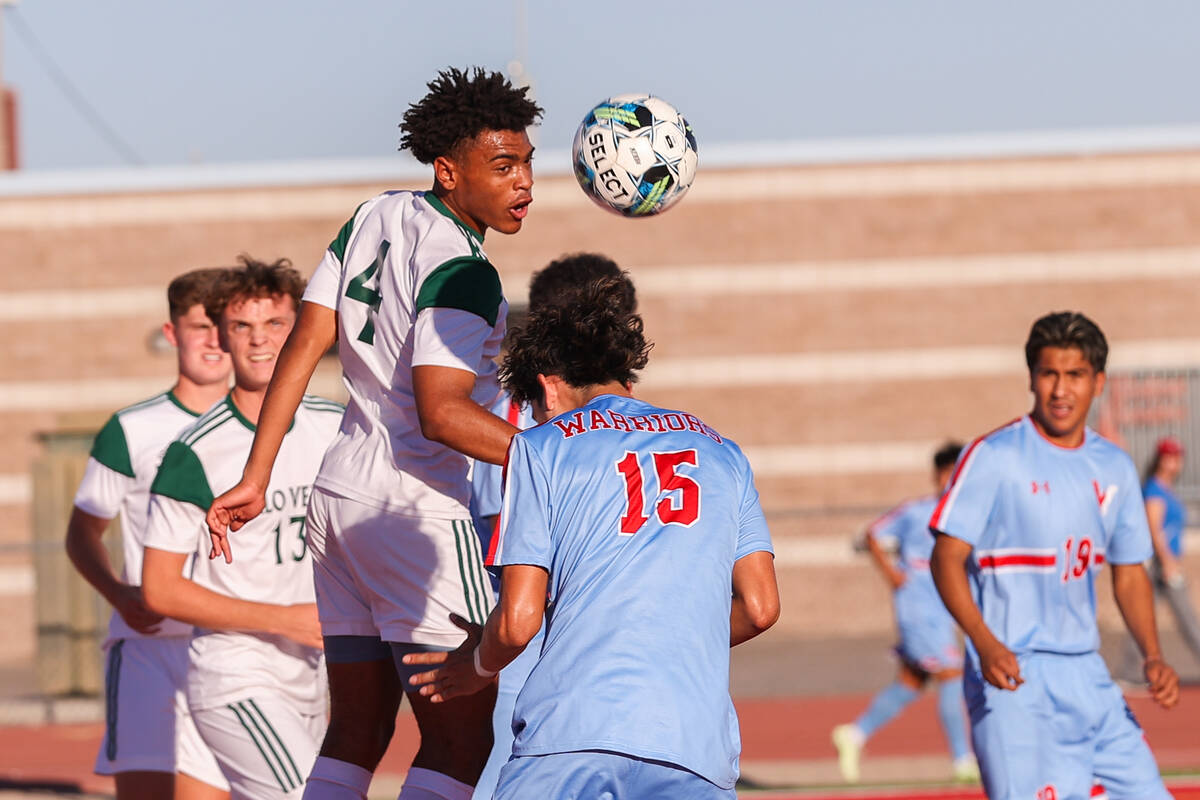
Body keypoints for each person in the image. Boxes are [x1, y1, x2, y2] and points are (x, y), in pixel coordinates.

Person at [204, 67, 542, 800]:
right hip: (414, 511)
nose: (524, 183)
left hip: (337, 501)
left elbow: (303, 345)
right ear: (448, 171)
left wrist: (258, 475)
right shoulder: (466, 268)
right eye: (503, 165)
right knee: (463, 737)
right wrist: (558, 459)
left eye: (527, 164)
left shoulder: (372, 215)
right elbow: (442, 412)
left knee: (356, 732)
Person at [405, 277, 781, 799]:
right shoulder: (724, 452)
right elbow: (761, 607)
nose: (537, 418)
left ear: (549, 385)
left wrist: (475, 667)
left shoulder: (540, 449)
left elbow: (517, 623)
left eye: (534, 405)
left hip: (570, 730)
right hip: (694, 740)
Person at [929, 311, 1180, 800]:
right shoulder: (994, 456)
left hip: (1086, 672)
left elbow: (1129, 575)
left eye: (1075, 375)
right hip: (1012, 676)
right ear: (1031, 378)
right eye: (1049, 374)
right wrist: (984, 642)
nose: (1060, 390)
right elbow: (945, 559)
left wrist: (1153, 655)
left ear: (1098, 382)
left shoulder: (1114, 466)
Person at [141, 258, 342, 799]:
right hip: (237, 673)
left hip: (314, 676)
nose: (258, 340)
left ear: (301, 329)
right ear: (223, 340)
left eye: (274, 323)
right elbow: (159, 588)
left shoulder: (338, 426)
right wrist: (283, 619)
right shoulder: (194, 451)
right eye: (241, 326)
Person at [467, 253, 638, 800]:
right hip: (525, 600)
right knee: (509, 751)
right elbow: (495, 517)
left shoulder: (626, 422)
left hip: (568, 606)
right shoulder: (507, 410)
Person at [65, 267, 232, 800]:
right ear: (171, 334)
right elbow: (82, 533)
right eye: (197, 326)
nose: (212, 340)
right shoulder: (132, 428)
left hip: (235, 647)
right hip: (148, 649)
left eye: (221, 326)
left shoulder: (268, 427)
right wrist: (120, 594)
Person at [832, 442, 977, 784]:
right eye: (947, 474)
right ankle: (962, 759)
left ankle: (854, 735)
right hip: (917, 607)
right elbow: (871, 534)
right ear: (936, 475)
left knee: (911, 683)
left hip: (940, 611)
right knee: (951, 675)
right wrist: (892, 573)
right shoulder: (915, 511)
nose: (951, 481)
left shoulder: (966, 516)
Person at [1125, 436, 1200, 674]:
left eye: (1177, 458)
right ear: (1159, 459)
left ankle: (1128, 671)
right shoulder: (1155, 489)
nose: (1173, 463)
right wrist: (1168, 562)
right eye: (1169, 457)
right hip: (1160, 566)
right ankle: (1128, 671)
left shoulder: (1167, 490)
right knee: (1185, 619)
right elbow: (1154, 528)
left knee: (1144, 618)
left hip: (1166, 564)